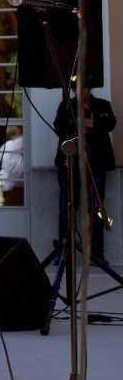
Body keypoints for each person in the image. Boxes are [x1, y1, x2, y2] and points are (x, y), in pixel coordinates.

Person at [54, 86, 115, 262]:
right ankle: (65, 251)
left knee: (96, 209)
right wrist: (79, 123)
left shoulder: (102, 105)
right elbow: (59, 126)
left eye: (86, 88)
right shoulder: (66, 105)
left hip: (96, 164)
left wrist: (90, 122)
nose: (82, 91)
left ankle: (97, 254)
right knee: (67, 209)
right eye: (78, 88)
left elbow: (110, 123)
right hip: (69, 165)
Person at [0, 125, 25, 207]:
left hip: (8, 186)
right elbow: (26, 139)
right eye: (19, 134)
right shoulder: (12, 145)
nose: (21, 135)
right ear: (13, 135)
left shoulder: (4, 147)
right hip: (15, 186)